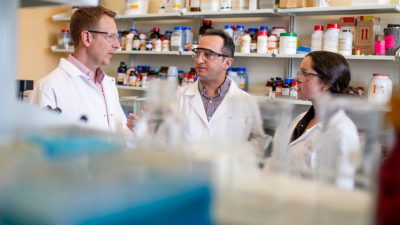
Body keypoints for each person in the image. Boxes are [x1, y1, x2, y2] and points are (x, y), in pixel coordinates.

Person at [128, 29, 267, 154]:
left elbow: (257, 142)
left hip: (226, 178)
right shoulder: (177, 97)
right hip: (185, 177)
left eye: (208, 54)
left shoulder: (246, 102)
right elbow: (162, 144)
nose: (199, 60)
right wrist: (148, 131)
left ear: (227, 63)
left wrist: (233, 155)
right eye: (197, 53)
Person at [29, 6, 127, 132]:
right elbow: (37, 146)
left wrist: (136, 131)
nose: (117, 45)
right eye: (111, 37)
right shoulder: (48, 88)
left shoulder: (108, 85)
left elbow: (119, 134)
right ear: (87, 38)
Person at [276, 51, 360, 188]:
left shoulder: (343, 131)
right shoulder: (301, 119)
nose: (297, 78)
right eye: (299, 72)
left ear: (326, 83)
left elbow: (340, 192)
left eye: (304, 73)